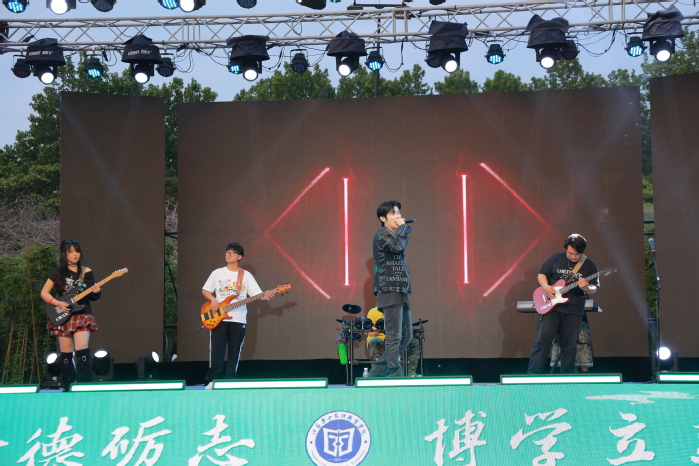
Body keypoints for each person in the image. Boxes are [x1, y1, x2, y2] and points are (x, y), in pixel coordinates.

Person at [202, 242, 274, 386]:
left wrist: (269, 295)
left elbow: (258, 294)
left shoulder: (246, 276)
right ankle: (213, 379)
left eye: (232, 253)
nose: (228, 255)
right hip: (219, 317)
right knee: (216, 350)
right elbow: (205, 290)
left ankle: (231, 378)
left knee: (235, 350)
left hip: (239, 319)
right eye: (227, 252)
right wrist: (213, 300)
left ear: (239, 256)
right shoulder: (217, 273)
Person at [528, 234, 599, 374]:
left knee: (570, 346)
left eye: (577, 254)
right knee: (542, 342)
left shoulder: (590, 265)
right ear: (566, 249)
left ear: (582, 252)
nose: (573, 257)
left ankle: (567, 377)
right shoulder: (555, 259)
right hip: (551, 309)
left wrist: (586, 288)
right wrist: (546, 287)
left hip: (574, 309)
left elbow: (594, 287)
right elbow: (542, 274)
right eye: (570, 253)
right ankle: (532, 375)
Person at [40, 240, 101, 387]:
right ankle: (68, 385)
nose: (75, 255)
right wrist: (58, 303)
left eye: (77, 251)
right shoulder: (57, 273)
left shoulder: (86, 271)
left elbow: (92, 297)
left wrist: (97, 291)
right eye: (71, 252)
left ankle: (84, 385)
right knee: (66, 353)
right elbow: (44, 293)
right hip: (63, 314)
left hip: (82, 314)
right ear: (64, 254)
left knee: (81, 349)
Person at [369, 200, 413, 377]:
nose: (398, 216)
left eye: (399, 213)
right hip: (389, 289)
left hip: (400, 289)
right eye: (393, 213)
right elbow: (397, 247)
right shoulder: (382, 235)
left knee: (407, 336)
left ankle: (376, 372)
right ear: (383, 218)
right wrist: (403, 229)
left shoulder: (394, 236)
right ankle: (395, 373)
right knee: (394, 335)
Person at [365, 307, 420, 377]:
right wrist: (382, 327)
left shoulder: (398, 311)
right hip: (380, 340)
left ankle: (410, 374)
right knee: (375, 341)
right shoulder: (373, 311)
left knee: (413, 343)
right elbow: (371, 333)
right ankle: (378, 374)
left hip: (394, 340)